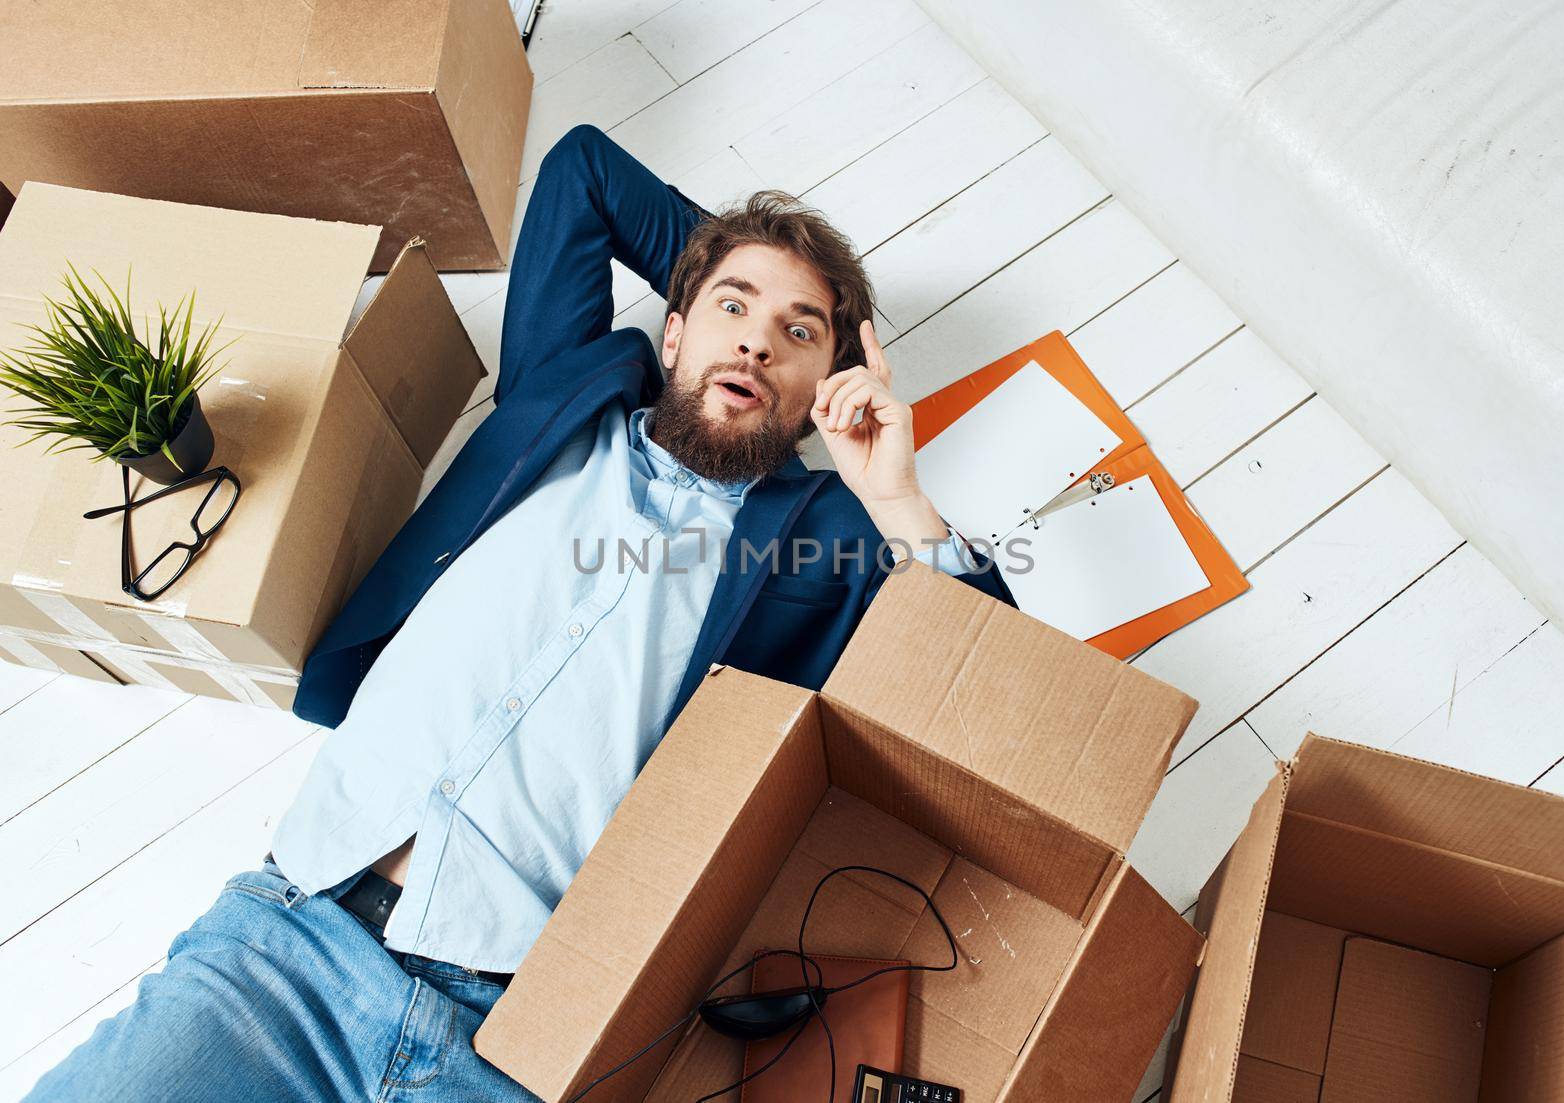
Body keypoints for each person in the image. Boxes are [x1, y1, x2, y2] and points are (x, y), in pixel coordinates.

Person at [26, 125, 1013, 1102]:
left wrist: (895, 494)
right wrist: (751, 278)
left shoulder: (819, 534)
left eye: (800, 333)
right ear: (672, 331)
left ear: (818, 396)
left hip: (514, 1039)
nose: (757, 337)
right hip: (281, 957)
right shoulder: (563, 388)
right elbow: (584, 170)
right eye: (731, 308)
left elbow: (993, 696)